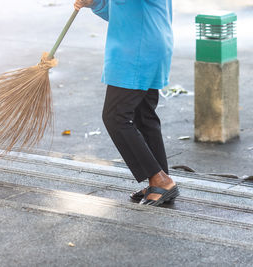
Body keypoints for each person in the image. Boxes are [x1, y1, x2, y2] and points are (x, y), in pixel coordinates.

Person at [74, 0, 179, 206]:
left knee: (116, 116)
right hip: (145, 43)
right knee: (143, 116)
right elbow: (119, 13)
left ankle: (160, 179)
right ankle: (159, 179)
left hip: (138, 50)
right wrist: (94, 3)